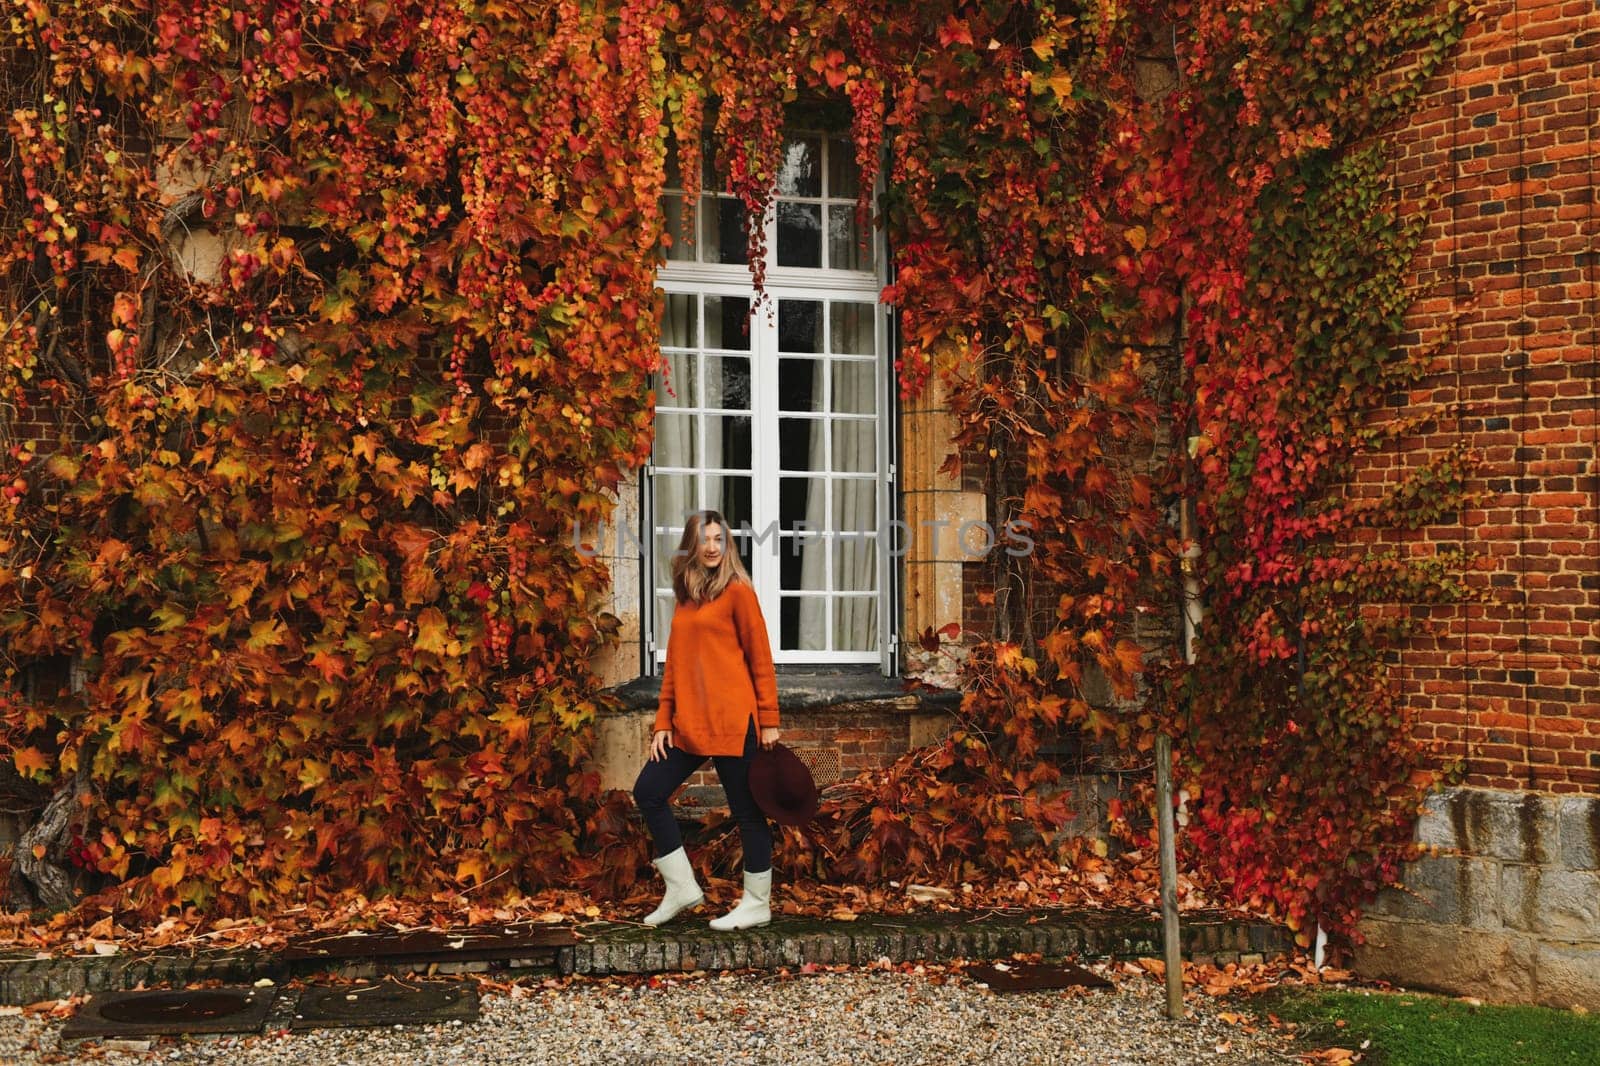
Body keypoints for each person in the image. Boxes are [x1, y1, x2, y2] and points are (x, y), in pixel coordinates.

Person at [632, 509, 780, 930]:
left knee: (747, 813)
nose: (713, 547)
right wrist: (664, 722)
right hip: (690, 723)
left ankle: (756, 903)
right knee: (649, 791)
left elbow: (761, 658)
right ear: (691, 545)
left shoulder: (738, 592)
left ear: (727, 544)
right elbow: (675, 665)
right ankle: (681, 887)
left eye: (720, 539)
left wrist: (768, 718)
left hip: (736, 722)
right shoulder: (685, 597)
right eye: (705, 539)